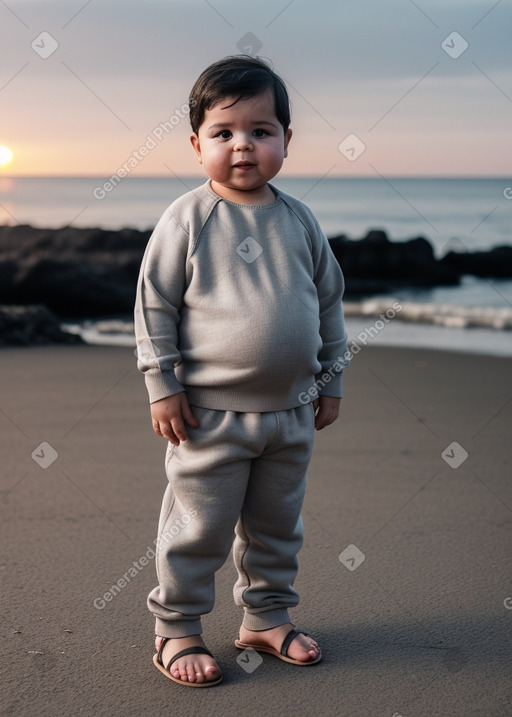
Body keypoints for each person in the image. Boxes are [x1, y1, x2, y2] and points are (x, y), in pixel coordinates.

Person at [134, 54, 349, 687]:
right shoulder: (188, 218)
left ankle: (267, 617)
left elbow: (330, 303)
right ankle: (176, 628)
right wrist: (162, 385)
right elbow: (154, 304)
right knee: (198, 528)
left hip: (290, 412)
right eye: (224, 133)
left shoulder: (300, 220)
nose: (244, 146)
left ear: (286, 140)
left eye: (261, 131)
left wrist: (331, 378)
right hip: (208, 415)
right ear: (197, 143)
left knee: (278, 527)